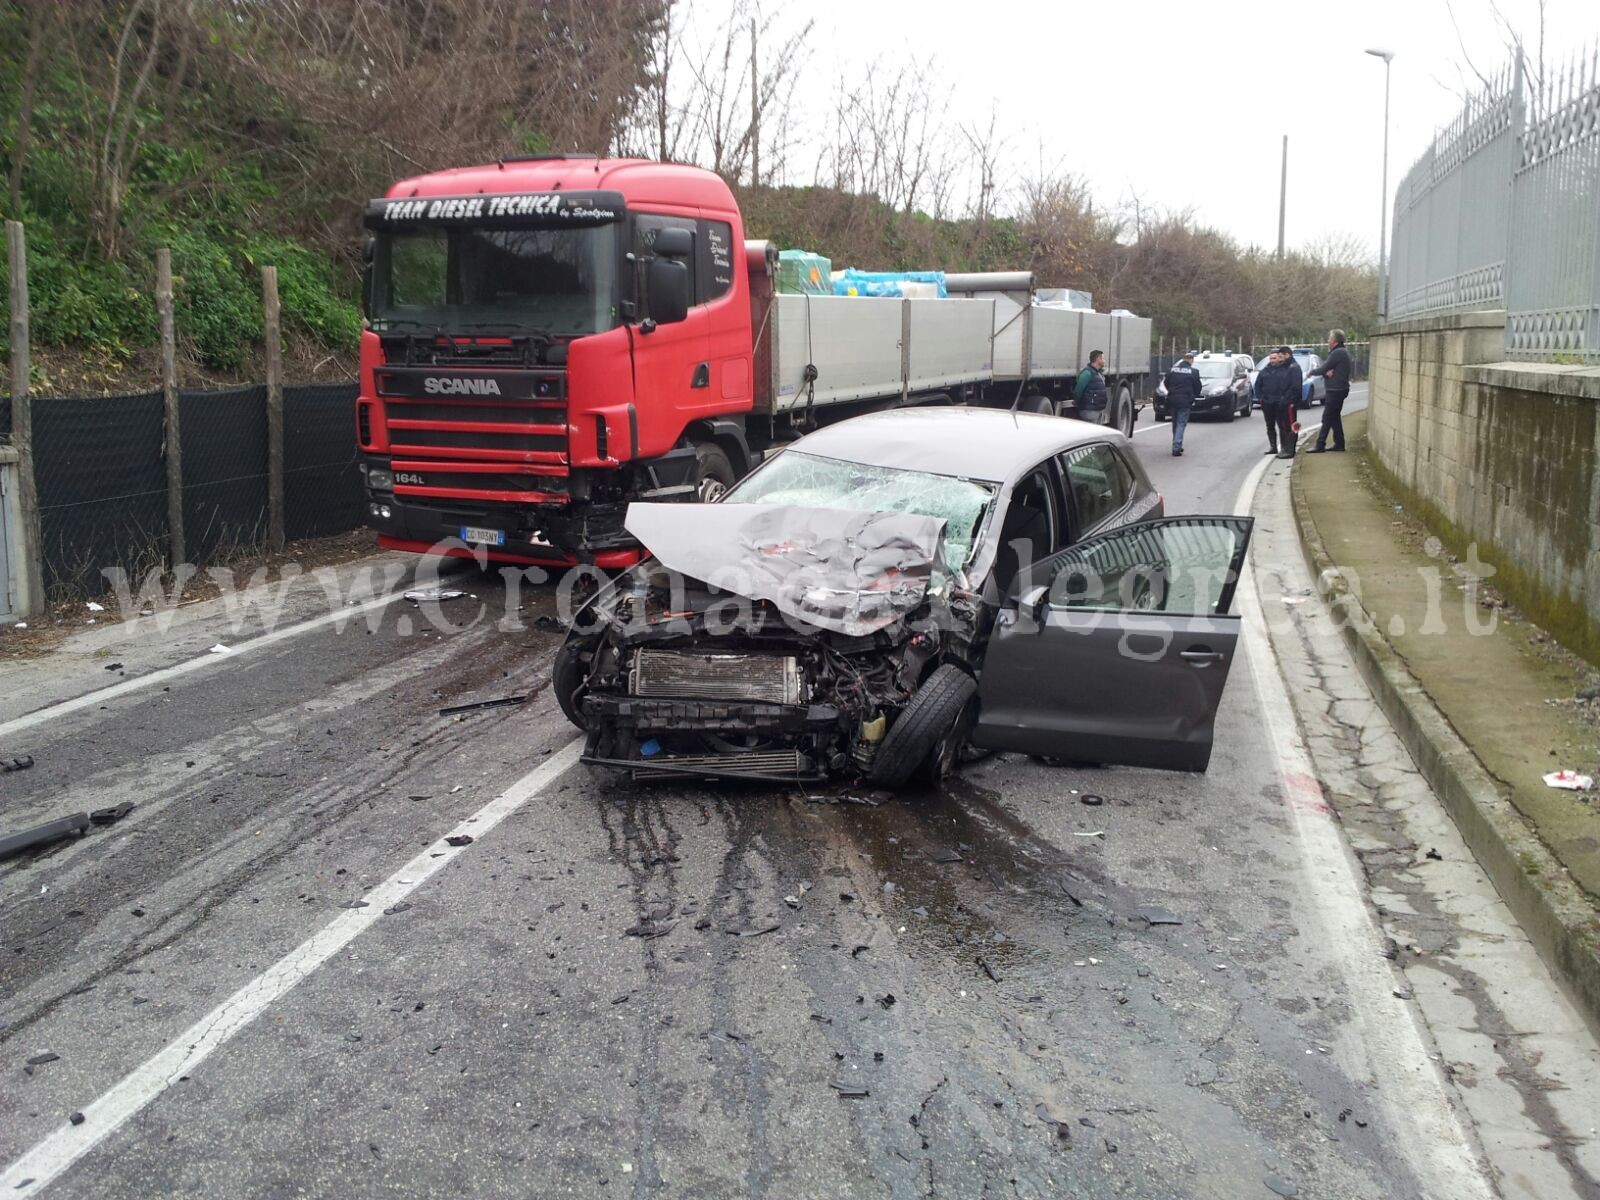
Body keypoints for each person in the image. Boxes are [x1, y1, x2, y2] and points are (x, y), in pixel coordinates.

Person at [1306, 329, 1351, 452]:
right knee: (1335, 417)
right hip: (1338, 388)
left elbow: (1325, 367)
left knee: (1327, 418)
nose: (1328, 341)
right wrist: (1326, 373)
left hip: (1336, 390)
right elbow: (1328, 370)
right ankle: (1339, 443)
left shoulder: (1338, 353)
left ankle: (1320, 444)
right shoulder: (1340, 352)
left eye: (1329, 339)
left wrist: (1311, 372)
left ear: (1335, 341)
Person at [1255, 345, 1303, 460]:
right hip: (1274, 402)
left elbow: (1295, 387)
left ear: (1287, 355)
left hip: (1287, 403)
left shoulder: (1293, 368)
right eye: (1273, 358)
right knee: (1281, 426)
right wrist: (1261, 398)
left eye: (1280, 357)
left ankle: (1289, 449)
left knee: (1289, 426)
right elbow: (1258, 385)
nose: (1279, 359)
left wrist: (1291, 401)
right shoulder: (1266, 371)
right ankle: (1283, 448)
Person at [1161, 351, 1202, 456]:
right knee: (1181, 423)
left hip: (1172, 400)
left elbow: (1166, 383)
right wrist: (1194, 395)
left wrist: (1172, 391)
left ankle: (1177, 443)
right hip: (1185, 401)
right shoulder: (1194, 372)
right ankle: (1176, 447)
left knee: (1175, 423)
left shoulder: (1172, 370)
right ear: (1191, 360)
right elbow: (1198, 387)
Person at [1074, 350, 1108, 424]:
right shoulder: (1087, 373)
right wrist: (1076, 401)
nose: (1104, 361)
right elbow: (1078, 390)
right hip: (1089, 411)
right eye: (1103, 358)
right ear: (1097, 359)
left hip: (1097, 410)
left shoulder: (1098, 373)